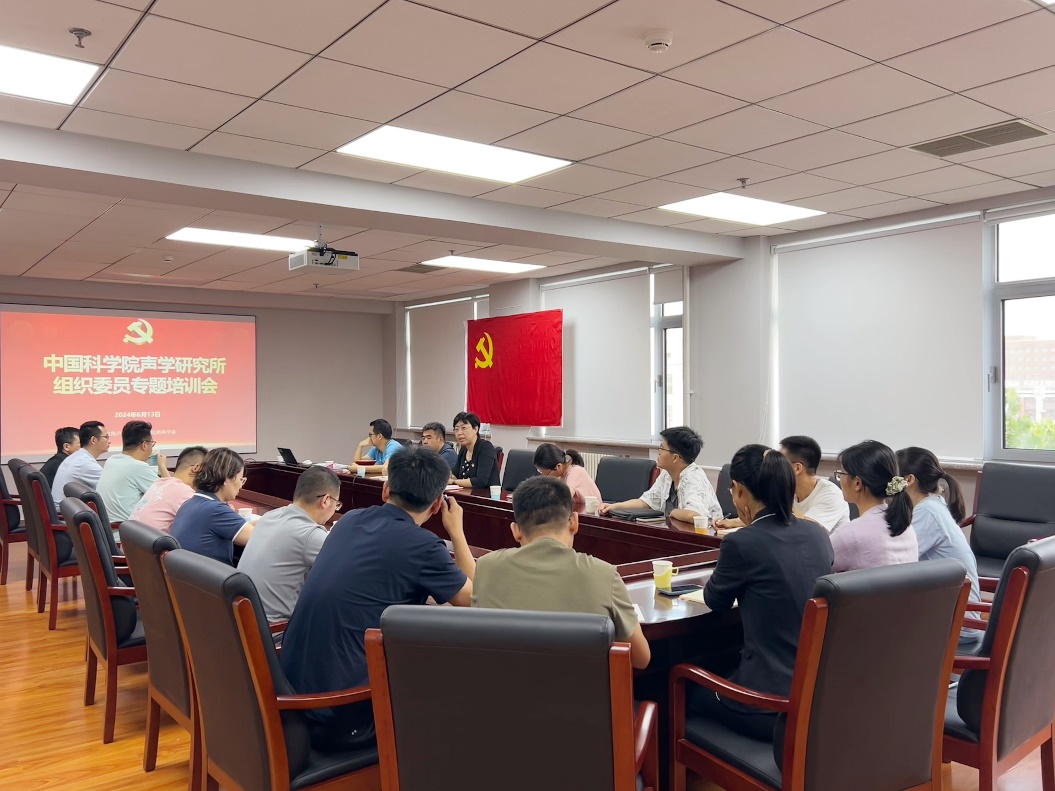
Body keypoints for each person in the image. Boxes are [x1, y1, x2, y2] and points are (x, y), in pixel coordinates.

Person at [280, 446, 474, 752]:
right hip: (340, 716)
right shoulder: (423, 545)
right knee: (456, 687)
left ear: (385, 490)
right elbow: (474, 601)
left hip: (289, 696)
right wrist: (457, 532)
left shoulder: (349, 520)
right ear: (438, 503)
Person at [689, 444, 834, 740]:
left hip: (769, 705)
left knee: (682, 686)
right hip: (818, 699)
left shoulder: (742, 542)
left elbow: (715, 600)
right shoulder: (817, 533)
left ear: (740, 489)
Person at [472, 476, 650, 669]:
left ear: (516, 530)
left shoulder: (485, 568)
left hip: (503, 687)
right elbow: (641, 658)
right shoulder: (604, 575)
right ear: (574, 522)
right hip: (580, 689)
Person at [898, 446, 983, 650]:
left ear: (909, 479)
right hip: (956, 615)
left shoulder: (927, 512)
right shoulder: (934, 504)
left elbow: (897, 560)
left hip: (957, 624)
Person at [237, 466, 339, 624]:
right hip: (275, 630)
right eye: (337, 504)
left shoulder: (269, 516)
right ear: (325, 501)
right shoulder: (311, 534)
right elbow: (346, 575)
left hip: (241, 621)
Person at [600, 426, 721, 523]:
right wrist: (615, 506)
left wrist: (673, 512)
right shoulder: (667, 474)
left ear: (675, 458)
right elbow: (646, 502)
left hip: (705, 537)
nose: (658, 452)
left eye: (662, 448)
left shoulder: (694, 478)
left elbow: (694, 515)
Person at [831, 440, 918, 572]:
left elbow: (812, 569)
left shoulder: (849, 534)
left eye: (841, 474)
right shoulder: (906, 526)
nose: (840, 479)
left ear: (857, 483)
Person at [169, 448, 254, 565]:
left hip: (188, 573)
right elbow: (259, 539)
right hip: (214, 576)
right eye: (241, 479)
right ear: (226, 478)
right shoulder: (216, 510)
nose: (241, 485)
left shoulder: (189, 503)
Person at [96, 420, 171, 524]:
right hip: (128, 531)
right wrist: (162, 466)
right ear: (144, 445)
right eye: (152, 443)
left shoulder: (112, 460)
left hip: (111, 528)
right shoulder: (138, 467)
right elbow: (170, 495)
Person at [128, 445, 207, 532]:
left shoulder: (159, 483)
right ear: (196, 468)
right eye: (207, 472)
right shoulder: (185, 493)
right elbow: (207, 522)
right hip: (152, 540)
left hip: (131, 539)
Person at [781, 435, 850, 531]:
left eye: (779, 463)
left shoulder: (831, 495)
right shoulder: (789, 489)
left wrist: (779, 500)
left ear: (797, 468)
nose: (775, 468)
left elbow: (807, 531)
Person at [51, 421, 110, 505]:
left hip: (67, 509)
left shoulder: (78, 457)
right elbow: (112, 488)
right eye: (106, 437)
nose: (109, 441)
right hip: (67, 511)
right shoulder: (84, 463)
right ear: (93, 440)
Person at [533, 443, 603, 513]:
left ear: (558, 467)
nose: (544, 476)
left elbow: (564, 497)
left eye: (545, 473)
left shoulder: (576, 471)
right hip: (577, 511)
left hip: (593, 515)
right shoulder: (561, 474)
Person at [450, 411, 500, 489]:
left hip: (485, 494)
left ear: (475, 429)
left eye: (463, 428)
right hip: (465, 493)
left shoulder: (485, 447)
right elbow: (455, 474)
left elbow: (481, 481)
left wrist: (454, 482)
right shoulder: (463, 449)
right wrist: (447, 476)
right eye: (456, 429)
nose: (459, 433)